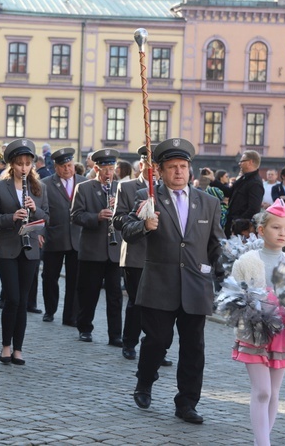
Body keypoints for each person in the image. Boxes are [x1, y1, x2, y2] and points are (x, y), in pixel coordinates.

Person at [122, 138, 224, 424]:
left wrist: (228, 267)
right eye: (172, 167)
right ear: (161, 171)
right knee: (157, 341)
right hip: (159, 283)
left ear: (190, 169)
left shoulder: (209, 202)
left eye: (182, 166)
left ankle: (187, 402)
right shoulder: (148, 196)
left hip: (196, 285)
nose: (178, 172)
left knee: (194, 348)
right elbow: (127, 230)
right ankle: (144, 381)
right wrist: (144, 225)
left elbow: (217, 243)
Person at [229, 200, 285, 445]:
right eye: (276, 227)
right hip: (254, 332)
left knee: (274, 393)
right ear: (261, 230)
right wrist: (249, 307)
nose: (282, 233)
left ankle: (264, 439)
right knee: (263, 391)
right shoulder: (246, 262)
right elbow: (232, 297)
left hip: (282, 334)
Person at [0, 139, 49, 365]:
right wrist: (11, 217)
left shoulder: (39, 188)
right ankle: (5, 345)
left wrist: (36, 209)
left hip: (30, 248)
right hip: (7, 248)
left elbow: (47, 218)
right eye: (20, 163)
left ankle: (18, 349)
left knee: (23, 301)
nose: (24, 168)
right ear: (12, 164)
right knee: (12, 298)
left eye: (27, 163)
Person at [114, 146, 169, 362]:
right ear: (142, 163)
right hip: (136, 254)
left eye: (158, 165)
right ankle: (129, 343)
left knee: (160, 306)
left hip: (161, 255)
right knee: (136, 302)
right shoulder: (127, 188)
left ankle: (157, 348)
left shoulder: (167, 189)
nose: (154, 169)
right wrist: (139, 217)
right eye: (150, 163)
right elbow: (118, 220)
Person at [70, 149, 123, 346]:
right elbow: (75, 216)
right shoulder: (84, 188)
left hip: (115, 251)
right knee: (88, 292)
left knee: (115, 296)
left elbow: (127, 216)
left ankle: (115, 335)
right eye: (105, 169)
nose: (109, 173)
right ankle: (85, 328)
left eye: (112, 168)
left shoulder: (120, 188)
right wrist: (97, 216)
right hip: (92, 250)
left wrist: (117, 208)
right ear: (96, 168)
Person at [40, 147, 84, 325]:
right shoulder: (45, 184)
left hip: (78, 238)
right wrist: (40, 233)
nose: (67, 169)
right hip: (54, 236)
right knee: (50, 277)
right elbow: (42, 211)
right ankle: (50, 310)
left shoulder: (84, 182)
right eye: (63, 166)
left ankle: (70, 316)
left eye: (70, 165)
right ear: (56, 167)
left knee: (75, 280)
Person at [225, 150, 263, 238]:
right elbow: (229, 192)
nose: (239, 163)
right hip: (232, 224)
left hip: (240, 230)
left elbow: (254, 209)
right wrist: (213, 180)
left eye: (242, 161)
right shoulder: (244, 178)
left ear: (250, 162)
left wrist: (237, 221)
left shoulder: (255, 182)